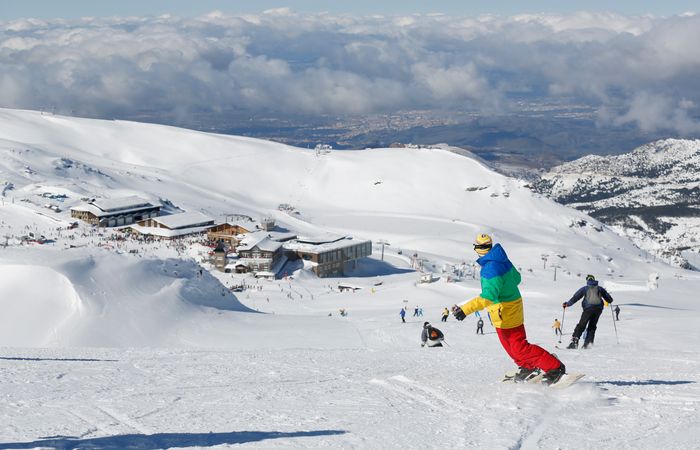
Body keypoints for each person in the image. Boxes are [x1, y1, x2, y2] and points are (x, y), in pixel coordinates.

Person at [451, 233, 565, 385]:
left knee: (519, 348)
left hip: (506, 311)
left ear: (477, 249)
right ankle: (528, 367)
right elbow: (517, 278)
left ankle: (554, 367)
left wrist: (465, 310)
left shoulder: (490, 268)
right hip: (506, 310)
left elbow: (488, 296)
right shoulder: (501, 259)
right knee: (510, 347)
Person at [563, 274, 614, 349]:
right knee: (592, 326)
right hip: (598, 310)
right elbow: (609, 299)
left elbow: (576, 297)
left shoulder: (585, 289)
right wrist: (609, 300)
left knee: (581, 325)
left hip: (588, 309)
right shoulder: (600, 288)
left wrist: (567, 304)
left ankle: (574, 342)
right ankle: (588, 344)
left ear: (587, 280)